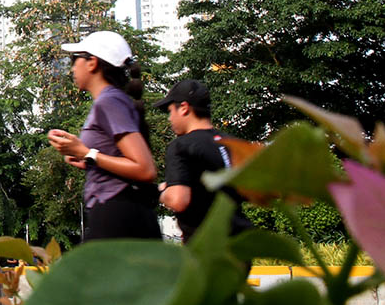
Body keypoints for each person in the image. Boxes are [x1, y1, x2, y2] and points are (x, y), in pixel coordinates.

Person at [47, 30, 160, 242]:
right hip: (117, 212)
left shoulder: (109, 102)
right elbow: (115, 157)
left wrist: (86, 152)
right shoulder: (112, 101)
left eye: (75, 60)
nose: (72, 67)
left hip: (118, 213)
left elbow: (145, 169)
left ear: (92, 63)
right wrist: (82, 157)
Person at [154, 79, 253, 242]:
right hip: (241, 242)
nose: (170, 118)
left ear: (184, 108)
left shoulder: (181, 146)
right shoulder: (234, 143)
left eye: (171, 111)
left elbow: (178, 200)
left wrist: (159, 191)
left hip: (207, 245)